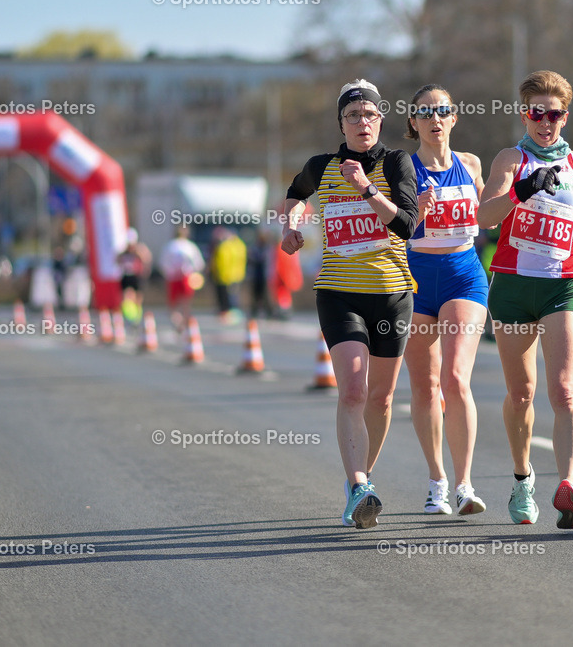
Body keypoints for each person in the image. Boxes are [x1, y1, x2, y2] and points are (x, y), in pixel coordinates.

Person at [477, 70, 573, 529]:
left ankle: (568, 486)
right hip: (512, 285)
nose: (546, 122)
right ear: (524, 114)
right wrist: (521, 190)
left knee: (564, 389)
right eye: (537, 113)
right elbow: (484, 216)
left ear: (566, 116)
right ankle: (522, 477)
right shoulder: (511, 158)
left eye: (555, 114)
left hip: (562, 283)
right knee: (521, 392)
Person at [281, 79, 418, 529]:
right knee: (354, 391)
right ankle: (359, 485)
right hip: (339, 293)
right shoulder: (321, 166)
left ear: (381, 119)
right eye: (353, 115)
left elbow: (407, 224)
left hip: (393, 295)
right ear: (341, 123)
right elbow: (295, 193)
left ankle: (361, 478)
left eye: (370, 115)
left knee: (381, 399)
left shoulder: (396, 162)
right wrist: (291, 225)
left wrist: (365, 189)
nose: (363, 122)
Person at [402, 84, 488, 516]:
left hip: (462, 275)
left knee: (455, 378)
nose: (434, 119)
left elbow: (490, 214)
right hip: (415, 278)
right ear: (413, 122)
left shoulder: (470, 164)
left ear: (454, 117)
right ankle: (437, 480)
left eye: (442, 111)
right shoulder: (402, 168)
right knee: (425, 385)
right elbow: (392, 226)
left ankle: (464, 484)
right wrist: (417, 209)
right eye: (425, 112)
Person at [158, 225, 205, 331]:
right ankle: (181, 321)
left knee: (180, 302)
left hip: (182, 277)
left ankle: (181, 321)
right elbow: (199, 264)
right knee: (181, 302)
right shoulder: (185, 246)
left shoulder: (178, 246)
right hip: (178, 277)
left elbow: (163, 263)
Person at [208, 228, 247, 323]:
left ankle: (229, 314)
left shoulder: (226, 246)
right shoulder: (240, 245)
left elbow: (221, 261)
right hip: (235, 274)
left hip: (227, 275)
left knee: (229, 296)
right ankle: (229, 313)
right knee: (231, 296)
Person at [118, 227, 153, 323]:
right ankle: (128, 315)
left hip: (136, 276)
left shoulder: (139, 250)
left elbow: (146, 259)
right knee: (126, 296)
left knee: (138, 297)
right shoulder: (124, 252)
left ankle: (137, 316)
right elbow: (117, 260)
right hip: (126, 275)